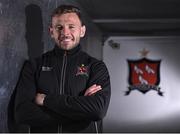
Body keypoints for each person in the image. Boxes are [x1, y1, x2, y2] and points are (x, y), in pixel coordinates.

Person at [14, 4, 111, 133]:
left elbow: (97, 110)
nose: (65, 33)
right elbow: (23, 114)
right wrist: (81, 112)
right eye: (59, 27)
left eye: (71, 27)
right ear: (51, 32)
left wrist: (46, 100)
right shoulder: (34, 66)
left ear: (82, 31)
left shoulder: (96, 67)